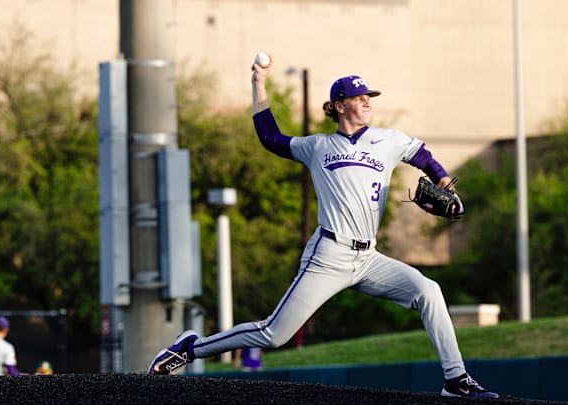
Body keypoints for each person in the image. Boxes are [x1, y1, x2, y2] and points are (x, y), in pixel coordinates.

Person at [148, 53, 499, 399]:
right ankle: (190, 349)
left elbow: (422, 156)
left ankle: (456, 380)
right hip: (328, 255)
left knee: (429, 291)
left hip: (369, 259)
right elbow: (270, 137)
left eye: (368, 98)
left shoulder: (387, 140)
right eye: (360, 98)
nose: (367, 104)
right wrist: (259, 84)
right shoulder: (317, 146)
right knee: (274, 334)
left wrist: (446, 184)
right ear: (339, 105)